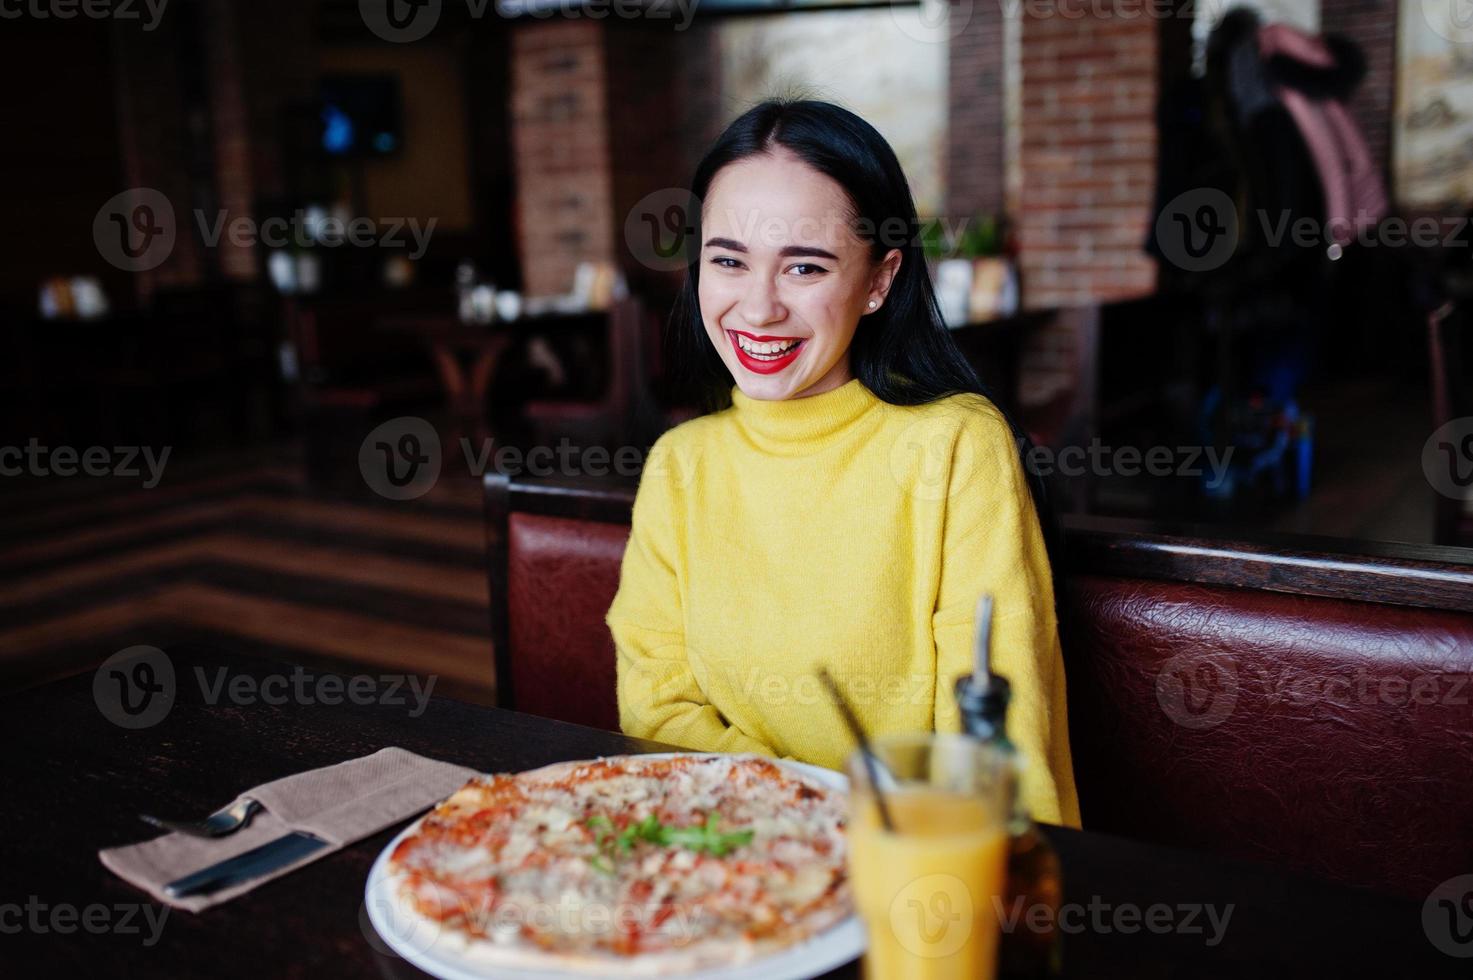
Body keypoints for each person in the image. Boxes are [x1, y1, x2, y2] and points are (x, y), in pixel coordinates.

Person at [606, 99, 1081, 827]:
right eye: (728, 259)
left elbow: (993, 730)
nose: (758, 309)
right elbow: (657, 709)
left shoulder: (954, 447)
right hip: (733, 863)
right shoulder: (680, 464)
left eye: (804, 265)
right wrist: (798, 828)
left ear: (878, 279)